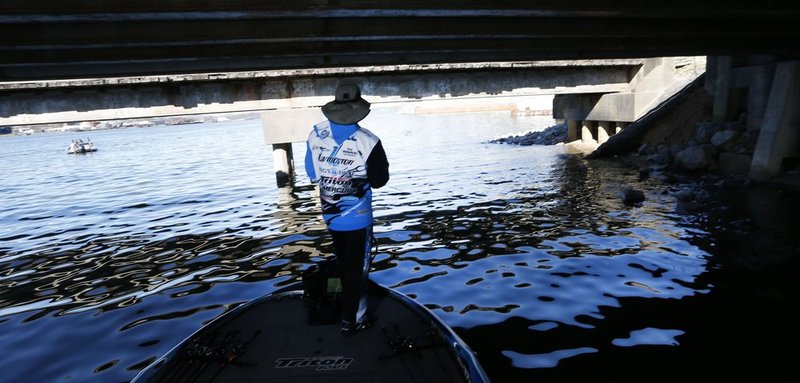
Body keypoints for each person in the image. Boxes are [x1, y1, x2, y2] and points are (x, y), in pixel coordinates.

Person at [305, 83, 389, 334]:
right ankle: (353, 320)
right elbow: (379, 181)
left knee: (344, 263)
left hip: (330, 214)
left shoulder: (315, 135)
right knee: (356, 268)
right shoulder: (369, 141)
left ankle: (347, 313)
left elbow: (311, 173)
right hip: (358, 218)